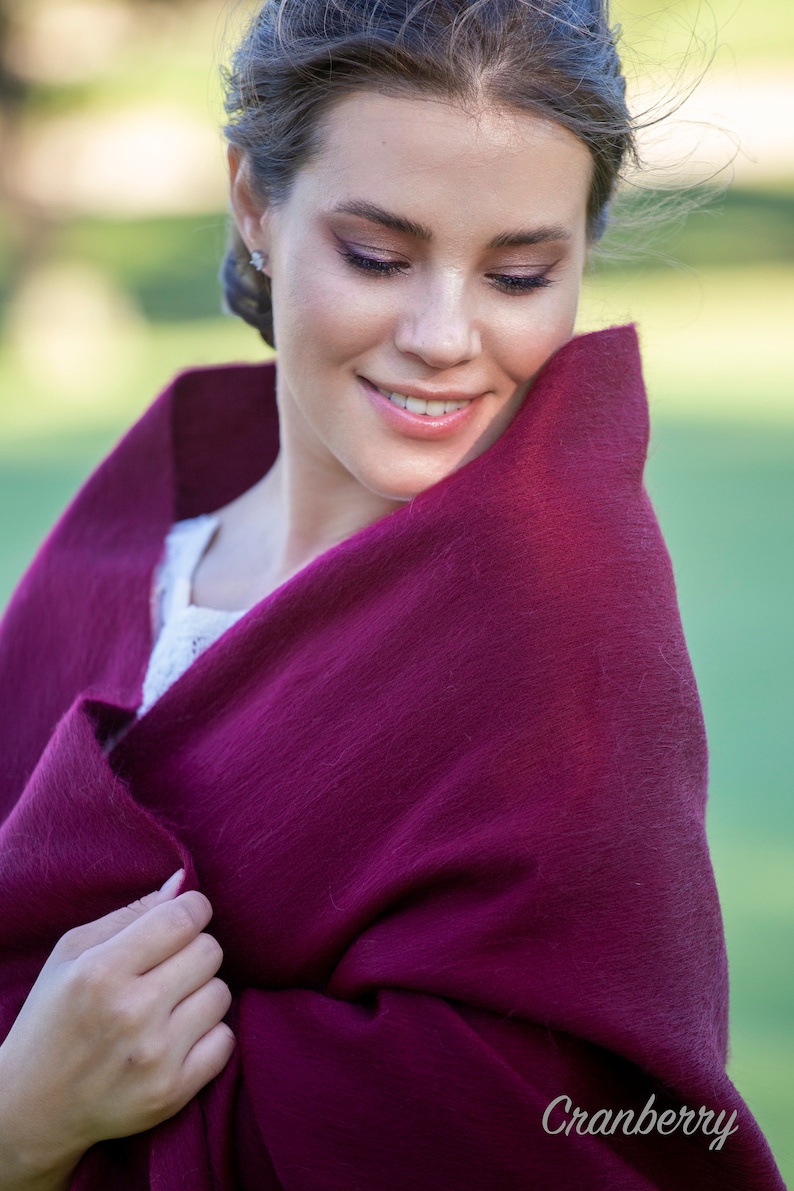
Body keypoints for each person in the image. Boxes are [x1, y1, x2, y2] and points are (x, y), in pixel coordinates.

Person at [0, 1, 785, 1188]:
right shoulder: (124, 550)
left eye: (520, 274)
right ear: (255, 204)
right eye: (378, 256)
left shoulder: (559, 629)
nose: (443, 334)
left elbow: (570, 1130)